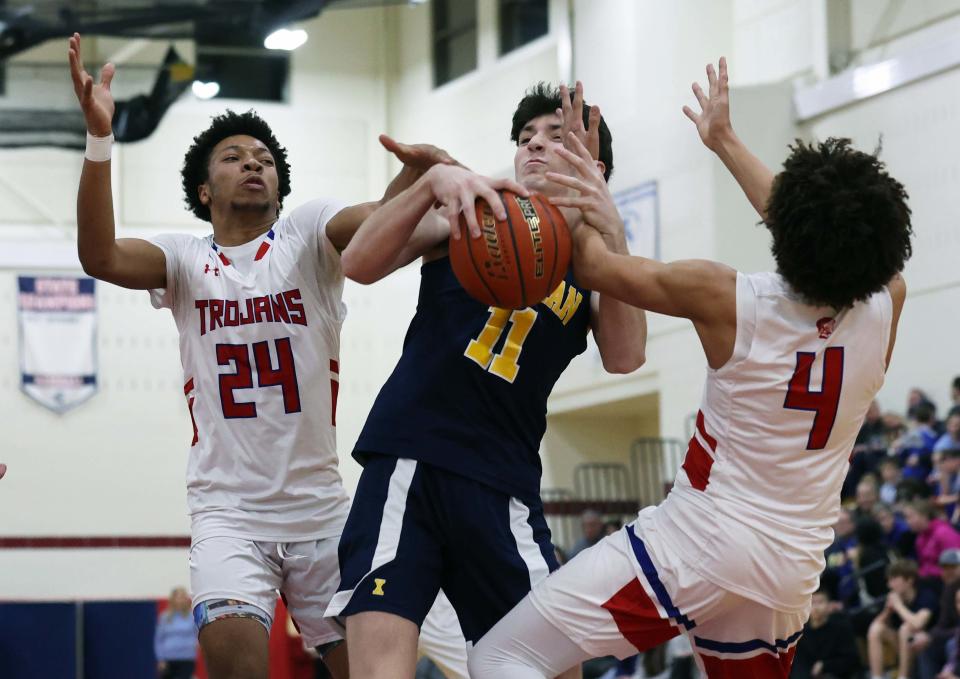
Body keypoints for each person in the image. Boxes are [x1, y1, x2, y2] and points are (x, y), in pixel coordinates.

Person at [469, 57, 912, 678]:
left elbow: (594, 265)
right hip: (789, 575)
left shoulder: (731, 298)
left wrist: (586, 183)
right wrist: (726, 142)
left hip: (697, 549)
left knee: (502, 654)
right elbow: (818, 231)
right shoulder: (885, 302)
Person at [68, 33, 458, 679]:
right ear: (203, 191)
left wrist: (415, 175)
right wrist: (100, 139)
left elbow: (376, 224)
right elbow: (99, 256)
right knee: (236, 665)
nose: (254, 162)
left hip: (322, 511)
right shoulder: (185, 260)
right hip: (229, 512)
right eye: (233, 156)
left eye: (265, 157)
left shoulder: (306, 234)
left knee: (375, 669)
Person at [323, 81, 647, 678]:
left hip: (503, 484)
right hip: (409, 461)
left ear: (594, 164)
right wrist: (430, 184)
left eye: (556, 135)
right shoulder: (478, 210)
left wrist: (613, 230)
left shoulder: (595, 260)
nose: (535, 147)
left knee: (554, 670)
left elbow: (626, 357)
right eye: (525, 139)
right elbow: (358, 263)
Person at [867, 560, 938, 679]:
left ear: (909, 580)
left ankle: (903, 676)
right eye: (889, 580)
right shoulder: (895, 598)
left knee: (906, 629)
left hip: (928, 642)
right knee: (876, 629)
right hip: (904, 645)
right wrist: (887, 611)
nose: (889, 585)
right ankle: (876, 676)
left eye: (894, 579)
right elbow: (874, 627)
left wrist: (899, 606)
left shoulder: (926, 595)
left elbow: (918, 623)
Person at [791, 588, 861, 679]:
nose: (816, 607)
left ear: (829, 605)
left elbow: (852, 660)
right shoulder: (800, 632)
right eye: (812, 603)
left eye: (820, 602)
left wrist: (825, 665)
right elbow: (798, 665)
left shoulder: (842, 627)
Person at [915, 549, 960, 679]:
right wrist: (928, 637)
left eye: (953, 567)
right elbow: (942, 624)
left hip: (955, 638)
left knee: (952, 644)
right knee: (926, 646)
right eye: (945, 568)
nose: (948, 572)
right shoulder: (948, 589)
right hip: (954, 634)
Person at [904, 499, 960, 579]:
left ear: (924, 515)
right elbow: (924, 565)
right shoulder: (920, 538)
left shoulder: (943, 533)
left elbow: (956, 564)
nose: (907, 522)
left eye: (910, 517)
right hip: (929, 581)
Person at [155, 587, 198, 679]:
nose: (180, 600)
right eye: (177, 597)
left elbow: (198, 635)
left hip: (186, 659)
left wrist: (194, 644)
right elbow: (159, 640)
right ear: (172, 599)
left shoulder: (192, 617)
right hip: (168, 659)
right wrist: (161, 659)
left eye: (182, 597)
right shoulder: (165, 617)